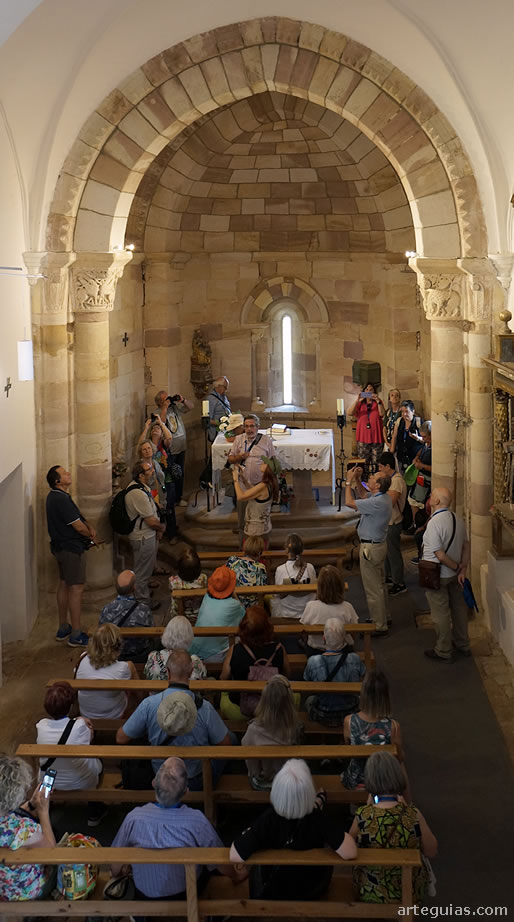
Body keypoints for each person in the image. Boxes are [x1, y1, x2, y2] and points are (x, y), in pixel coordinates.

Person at [110, 757, 246, 900]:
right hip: (186, 893)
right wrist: (235, 876)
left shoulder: (134, 818)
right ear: (186, 792)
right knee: (208, 867)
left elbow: (115, 863)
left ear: (154, 783)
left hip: (144, 893)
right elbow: (218, 860)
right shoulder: (196, 821)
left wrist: (118, 873)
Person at [229, 759, 357, 900]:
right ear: (309, 791)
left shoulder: (268, 820)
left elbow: (235, 855)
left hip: (274, 889)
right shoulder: (317, 819)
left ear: (277, 790)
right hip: (312, 888)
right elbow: (350, 852)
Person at [117, 650, 235, 789]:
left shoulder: (149, 704)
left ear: (167, 671)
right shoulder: (205, 708)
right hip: (195, 779)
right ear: (191, 672)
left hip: (161, 777)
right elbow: (225, 744)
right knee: (231, 738)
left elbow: (121, 738)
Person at [348, 751, 437, 904]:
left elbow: (349, 845)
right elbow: (431, 850)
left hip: (371, 890)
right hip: (408, 891)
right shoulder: (413, 814)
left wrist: (368, 808)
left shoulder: (363, 815)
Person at [45, 464, 98, 647]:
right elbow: (77, 526)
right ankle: (76, 634)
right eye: (64, 473)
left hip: (60, 548)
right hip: (71, 549)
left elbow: (78, 519)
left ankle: (63, 627)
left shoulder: (55, 497)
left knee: (64, 584)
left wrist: (87, 525)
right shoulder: (60, 499)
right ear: (57, 481)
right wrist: (90, 533)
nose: (69, 474)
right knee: (76, 588)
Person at [422, 487, 471, 662]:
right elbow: (466, 545)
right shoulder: (457, 518)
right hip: (455, 575)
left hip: (438, 575)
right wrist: (462, 568)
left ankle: (443, 650)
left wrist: (457, 566)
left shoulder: (435, 523)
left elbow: (439, 554)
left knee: (440, 613)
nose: (429, 498)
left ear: (436, 502)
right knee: (459, 609)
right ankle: (463, 644)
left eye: (431, 496)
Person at [0, 754, 57, 901]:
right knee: (58, 866)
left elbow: (9, 814)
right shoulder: (22, 829)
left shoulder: (12, 824)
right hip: (18, 893)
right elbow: (51, 852)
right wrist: (43, 811)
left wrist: (31, 805)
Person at [219, 605, 290, 719]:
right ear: (267, 627)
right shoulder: (279, 649)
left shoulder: (236, 650)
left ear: (243, 627)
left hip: (239, 704)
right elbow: (286, 675)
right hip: (273, 703)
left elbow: (224, 677)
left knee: (224, 695)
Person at [341, 669, 406, 793]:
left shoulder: (349, 721)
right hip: (382, 783)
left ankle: (354, 804)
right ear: (386, 696)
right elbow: (400, 758)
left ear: (363, 694)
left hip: (357, 781)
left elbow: (348, 748)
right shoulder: (393, 726)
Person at [345, 470, 392, 636]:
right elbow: (364, 495)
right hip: (378, 546)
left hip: (370, 549)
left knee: (373, 589)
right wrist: (358, 479)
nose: (369, 477)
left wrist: (348, 481)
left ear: (378, 485)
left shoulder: (377, 502)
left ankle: (379, 625)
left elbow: (349, 502)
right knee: (380, 585)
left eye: (372, 477)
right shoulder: (382, 497)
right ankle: (384, 616)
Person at [35, 681, 102, 791]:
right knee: (98, 763)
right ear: (70, 706)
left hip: (49, 782)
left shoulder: (41, 725)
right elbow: (89, 739)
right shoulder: (80, 726)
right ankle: (94, 802)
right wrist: (78, 721)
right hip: (80, 781)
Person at [242, 675, 299, 790]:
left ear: (263, 701)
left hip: (262, 783)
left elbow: (251, 764)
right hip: (286, 780)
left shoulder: (253, 729)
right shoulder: (295, 727)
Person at [303, 619, 365, 726]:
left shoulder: (313, 661)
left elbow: (307, 681)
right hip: (351, 711)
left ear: (324, 639)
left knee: (309, 700)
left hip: (323, 714)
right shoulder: (354, 659)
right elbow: (363, 676)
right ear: (344, 638)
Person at [227, 414, 275, 546]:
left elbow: (271, 461)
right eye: (246, 426)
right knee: (243, 518)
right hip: (243, 484)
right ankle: (242, 547)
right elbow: (230, 459)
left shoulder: (266, 441)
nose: (249, 429)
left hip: (260, 486)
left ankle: (259, 546)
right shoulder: (238, 439)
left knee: (258, 518)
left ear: (258, 427)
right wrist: (239, 457)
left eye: (252, 426)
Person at [125, 460, 166, 610]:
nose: (152, 471)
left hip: (147, 535)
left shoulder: (142, 487)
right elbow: (150, 520)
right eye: (149, 470)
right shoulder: (137, 493)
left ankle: (144, 594)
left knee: (145, 568)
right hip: (143, 537)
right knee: (142, 573)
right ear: (141, 475)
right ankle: (143, 604)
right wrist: (160, 528)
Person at [75, 623, 138, 720]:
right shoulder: (123, 668)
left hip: (85, 713)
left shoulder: (83, 658)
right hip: (113, 715)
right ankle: (140, 703)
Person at [189, 566, 244, 662]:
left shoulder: (207, 597)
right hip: (215, 655)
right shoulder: (234, 605)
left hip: (196, 647)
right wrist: (234, 595)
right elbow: (244, 616)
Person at [99, 569, 153, 663]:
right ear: (134, 587)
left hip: (114, 655)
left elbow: (101, 632)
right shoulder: (144, 610)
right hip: (139, 655)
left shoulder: (106, 609)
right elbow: (151, 632)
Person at [300, 564, 358, 650]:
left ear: (319, 586)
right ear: (340, 586)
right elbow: (353, 632)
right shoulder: (347, 607)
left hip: (315, 650)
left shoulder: (311, 606)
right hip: (341, 649)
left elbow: (304, 631)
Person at [138, 417, 177, 541]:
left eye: (158, 429)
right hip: (154, 486)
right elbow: (140, 444)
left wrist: (161, 423)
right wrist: (146, 428)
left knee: (169, 507)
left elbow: (169, 437)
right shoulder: (147, 444)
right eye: (153, 428)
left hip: (166, 480)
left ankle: (171, 533)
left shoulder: (163, 444)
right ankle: (159, 532)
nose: (156, 430)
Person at [156, 389, 194, 506]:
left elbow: (191, 407)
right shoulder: (157, 412)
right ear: (160, 402)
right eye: (165, 399)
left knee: (180, 473)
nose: (169, 400)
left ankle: (179, 497)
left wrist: (183, 400)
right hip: (169, 449)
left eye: (169, 398)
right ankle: (170, 499)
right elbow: (161, 423)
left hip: (181, 446)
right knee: (170, 475)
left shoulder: (175, 409)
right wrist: (164, 408)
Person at [232, 456, 280, 548]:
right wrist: (242, 477)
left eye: (264, 463)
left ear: (268, 469)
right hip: (262, 528)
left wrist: (235, 479)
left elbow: (240, 497)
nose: (262, 463)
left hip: (255, 532)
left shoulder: (263, 486)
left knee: (253, 558)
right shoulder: (269, 483)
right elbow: (253, 491)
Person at [377, 451, 408, 597]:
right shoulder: (391, 479)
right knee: (388, 553)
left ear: (388, 466)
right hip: (387, 521)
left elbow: (390, 502)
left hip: (394, 521)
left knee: (394, 554)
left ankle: (399, 583)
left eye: (381, 467)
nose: (379, 470)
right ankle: (390, 577)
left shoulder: (396, 481)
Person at [144, 615, 207, 682]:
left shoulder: (153, 656)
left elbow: (146, 675)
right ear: (189, 636)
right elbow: (203, 680)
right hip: (186, 692)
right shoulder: (195, 662)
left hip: (156, 692)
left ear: (166, 633)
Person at [270, 533, 317, 619]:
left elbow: (277, 594)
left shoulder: (280, 569)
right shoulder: (310, 567)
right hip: (308, 612)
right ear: (302, 550)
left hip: (286, 612)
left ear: (286, 550)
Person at [349, 383, 385, 473]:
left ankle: (375, 482)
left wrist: (378, 401)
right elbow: (349, 412)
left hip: (376, 437)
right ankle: (363, 483)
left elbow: (382, 414)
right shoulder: (360, 403)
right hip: (363, 438)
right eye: (367, 390)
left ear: (374, 392)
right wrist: (357, 400)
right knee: (363, 463)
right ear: (363, 392)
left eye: (371, 390)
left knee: (376, 463)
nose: (368, 392)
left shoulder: (378, 402)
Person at [226, 535, 268, 610]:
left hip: (232, 604)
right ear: (259, 552)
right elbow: (262, 591)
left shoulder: (232, 560)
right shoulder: (260, 567)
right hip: (252, 608)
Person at [169, 546, 208, 621]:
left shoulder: (173, 581)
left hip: (178, 615)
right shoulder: (203, 578)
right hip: (198, 613)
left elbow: (171, 592)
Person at [390, 400, 422, 471]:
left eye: (407, 411)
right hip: (401, 456)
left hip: (414, 459)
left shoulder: (419, 422)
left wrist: (417, 438)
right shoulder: (399, 421)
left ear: (413, 411)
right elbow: (394, 437)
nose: (404, 414)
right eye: (402, 412)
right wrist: (391, 451)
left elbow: (426, 441)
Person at [137, 438, 166, 515]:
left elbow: (161, 480)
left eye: (149, 448)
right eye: (144, 449)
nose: (147, 451)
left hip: (162, 498)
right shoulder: (140, 467)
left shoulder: (155, 463)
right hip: (151, 502)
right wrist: (155, 503)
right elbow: (143, 488)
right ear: (141, 453)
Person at [207, 375, 231, 442]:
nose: (226, 390)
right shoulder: (211, 399)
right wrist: (222, 424)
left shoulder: (224, 397)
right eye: (225, 387)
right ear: (219, 386)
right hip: (216, 432)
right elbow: (208, 419)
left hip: (225, 431)